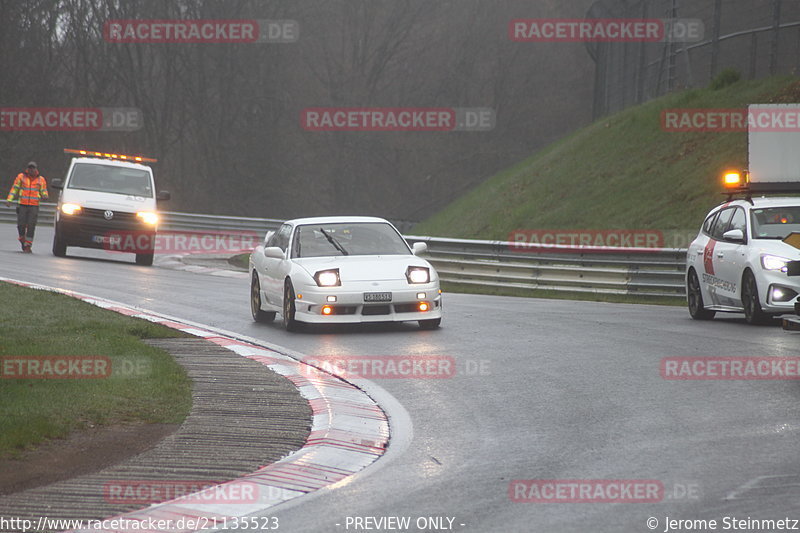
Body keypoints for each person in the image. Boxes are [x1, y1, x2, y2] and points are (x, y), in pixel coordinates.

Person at [5, 161, 48, 253]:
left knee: (31, 225)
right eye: (30, 168)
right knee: (21, 224)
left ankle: (28, 245)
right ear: (27, 169)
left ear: (36, 169)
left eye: (33, 168)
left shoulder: (41, 179)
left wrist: (45, 195)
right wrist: (9, 200)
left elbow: (43, 190)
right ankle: (22, 238)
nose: (31, 170)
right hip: (22, 205)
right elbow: (14, 189)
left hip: (34, 206)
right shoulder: (21, 177)